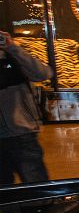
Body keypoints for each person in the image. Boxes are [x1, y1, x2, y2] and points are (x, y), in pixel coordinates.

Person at [0, 30, 53, 184]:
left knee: (36, 186)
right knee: (5, 195)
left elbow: (43, 73)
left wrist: (12, 47)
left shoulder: (12, 54)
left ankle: (41, 207)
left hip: (21, 133)